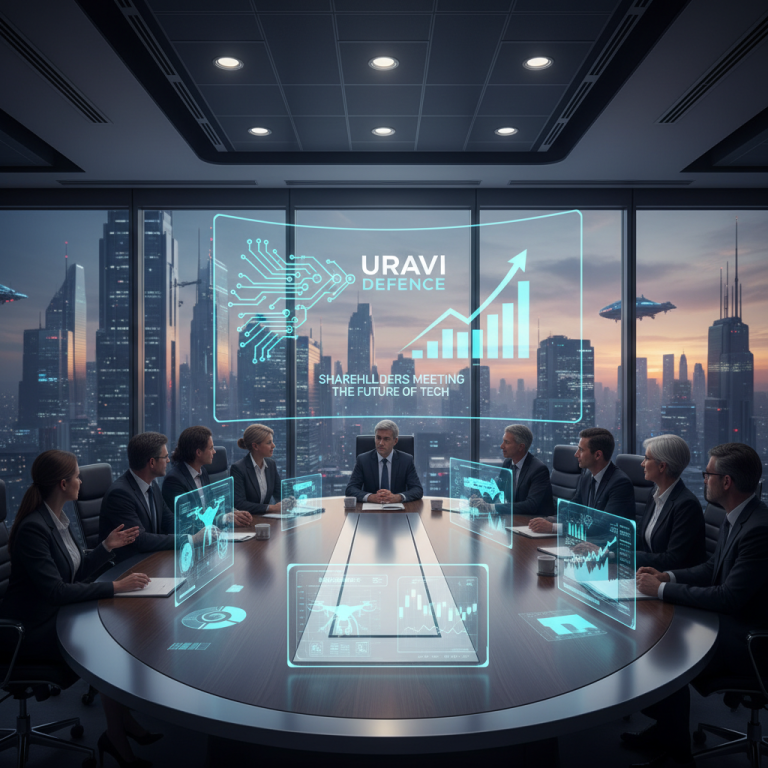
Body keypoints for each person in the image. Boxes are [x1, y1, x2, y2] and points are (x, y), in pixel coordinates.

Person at [0, 450, 159, 767]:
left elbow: (74, 570)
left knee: (116, 627)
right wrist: (115, 586)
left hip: (53, 616)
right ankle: (116, 737)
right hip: (26, 631)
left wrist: (105, 548)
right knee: (108, 642)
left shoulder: (57, 519)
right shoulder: (35, 528)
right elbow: (56, 590)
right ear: (63, 483)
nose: (81, 481)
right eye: (76, 476)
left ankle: (120, 724)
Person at [628, 443, 768, 767]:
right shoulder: (738, 516)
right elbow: (712, 569)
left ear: (727, 481)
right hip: (731, 620)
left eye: (708, 474)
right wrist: (669, 576)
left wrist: (661, 590)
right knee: (658, 631)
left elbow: (728, 596)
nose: (703, 479)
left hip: (751, 639)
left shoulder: (758, 529)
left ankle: (676, 754)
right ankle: (665, 732)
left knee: (666, 644)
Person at [99, 432, 205, 563]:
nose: (168, 460)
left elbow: (169, 520)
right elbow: (140, 540)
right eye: (165, 457)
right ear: (152, 462)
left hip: (152, 558)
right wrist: (190, 539)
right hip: (128, 566)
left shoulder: (152, 485)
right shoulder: (120, 494)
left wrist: (198, 530)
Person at [529, 427, 634, 533]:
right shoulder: (587, 476)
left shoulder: (620, 484)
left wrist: (554, 528)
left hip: (606, 546)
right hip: (585, 541)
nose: (576, 454)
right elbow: (573, 509)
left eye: (581, 450)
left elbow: (603, 527)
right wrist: (548, 520)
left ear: (598, 455)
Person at [636, 434, 705, 571]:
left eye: (647, 458)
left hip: (671, 583)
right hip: (648, 573)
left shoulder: (686, 505)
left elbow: (672, 559)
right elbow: (640, 537)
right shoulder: (655, 493)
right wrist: (608, 549)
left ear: (662, 466)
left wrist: (625, 556)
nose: (642, 463)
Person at [162, 425, 251, 527]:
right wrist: (223, 519)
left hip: (208, 532)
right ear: (198, 452)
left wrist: (230, 513)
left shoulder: (202, 471)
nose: (214, 451)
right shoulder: (174, 480)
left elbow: (209, 507)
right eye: (211, 448)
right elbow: (189, 520)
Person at [470, 424, 553, 517]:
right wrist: (482, 500)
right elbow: (498, 488)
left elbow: (531, 505)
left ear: (521, 447)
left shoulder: (539, 470)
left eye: (507, 442)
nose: (502, 446)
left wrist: (492, 507)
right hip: (514, 517)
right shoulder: (508, 463)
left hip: (534, 522)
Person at [345, 420, 423, 504]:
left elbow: (417, 490)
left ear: (395, 441)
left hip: (398, 511)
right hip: (370, 510)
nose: (381, 443)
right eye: (378, 438)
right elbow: (350, 489)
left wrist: (398, 497)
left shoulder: (406, 460)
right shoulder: (363, 460)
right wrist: (371, 497)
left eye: (386, 439)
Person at [230, 423, 283, 515]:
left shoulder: (271, 464)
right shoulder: (238, 469)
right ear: (255, 446)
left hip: (267, 520)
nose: (273, 446)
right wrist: (271, 508)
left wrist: (289, 500)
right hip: (249, 521)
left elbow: (280, 493)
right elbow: (239, 504)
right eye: (269, 442)